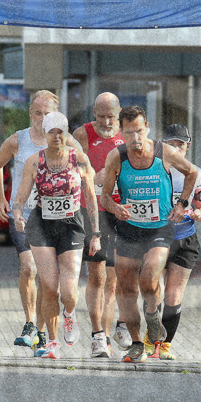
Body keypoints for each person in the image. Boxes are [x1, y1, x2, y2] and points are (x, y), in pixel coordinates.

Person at [0, 90, 88, 349]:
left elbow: (85, 170)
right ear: (30, 113)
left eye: (47, 113)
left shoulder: (67, 142)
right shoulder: (18, 140)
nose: (41, 117)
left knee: (51, 281)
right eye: (37, 112)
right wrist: (2, 199)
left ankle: (43, 330)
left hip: (59, 219)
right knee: (29, 269)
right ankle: (30, 323)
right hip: (24, 214)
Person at [102, 105, 197, 363]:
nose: (135, 138)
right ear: (122, 132)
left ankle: (153, 317)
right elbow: (105, 196)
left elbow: (192, 172)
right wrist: (116, 208)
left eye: (140, 131)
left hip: (159, 228)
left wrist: (183, 204)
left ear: (148, 129)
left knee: (149, 277)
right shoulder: (116, 157)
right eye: (130, 133)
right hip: (128, 229)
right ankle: (135, 343)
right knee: (126, 288)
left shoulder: (163, 152)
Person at [12, 111, 100, 358]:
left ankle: (69, 314)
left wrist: (96, 233)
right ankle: (52, 343)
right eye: (51, 131)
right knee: (49, 287)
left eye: (60, 132)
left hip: (71, 224)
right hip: (41, 225)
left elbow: (91, 198)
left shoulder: (79, 159)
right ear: (45, 134)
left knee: (68, 293)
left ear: (66, 134)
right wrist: (18, 214)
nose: (56, 136)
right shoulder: (34, 161)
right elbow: (20, 198)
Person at [72, 92, 126, 357]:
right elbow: (71, 168)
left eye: (111, 117)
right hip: (93, 213)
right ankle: (97, 335)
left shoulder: (127, 136)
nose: (106, 122)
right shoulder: (82, 134)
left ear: (119, 114)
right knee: (97, 276)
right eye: (101, 116)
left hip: (119, 211)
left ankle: (106, 338)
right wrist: (95, 175)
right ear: (94, 113)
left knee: (113, 282)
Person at [152, 124, 201, 361]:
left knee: (173, 296)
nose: (175, 149)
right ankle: (150, 339)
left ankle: (164, 345)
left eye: (180, 145)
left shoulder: (196, 173)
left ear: (188, 146)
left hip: (184, 237)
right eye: (170, 144)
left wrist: (199, 214)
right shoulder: (153, 169)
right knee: (152, 291)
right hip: (155, 237)